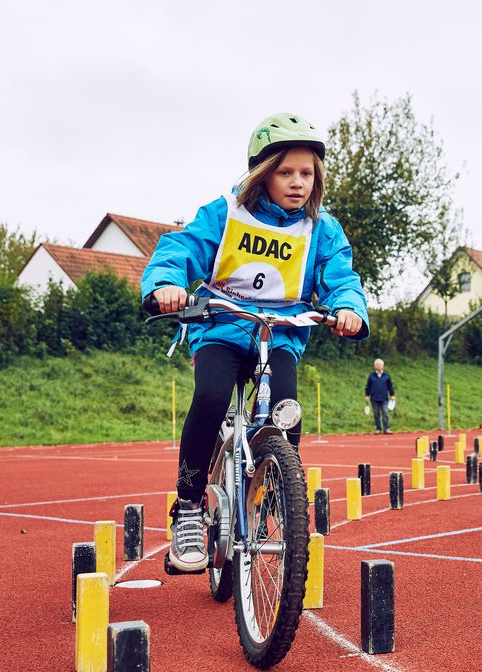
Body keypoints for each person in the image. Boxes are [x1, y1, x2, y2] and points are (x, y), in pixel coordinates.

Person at [142, 113, 369, 572]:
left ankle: (271, 499)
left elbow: (341, 277)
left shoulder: (321, 229)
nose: (298, 182)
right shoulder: (226, 212)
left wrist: (350, 310)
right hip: (221, 325)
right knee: (209, 397)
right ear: (262, 175)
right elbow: (180, 248)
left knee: (288, 414)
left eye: (307, 173)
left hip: (280, 332)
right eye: (286, 172)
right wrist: (166, 283)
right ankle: (188, 508)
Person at [364, 358, 395, 434]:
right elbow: (368, 386)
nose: (378, 366)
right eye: (377, 365)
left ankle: (386, 429)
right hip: (374, 398)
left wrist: (392, 395)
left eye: (380, 364)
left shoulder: (387, 376)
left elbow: (390, 386)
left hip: (384, 398)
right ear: (375, 366)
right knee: (376, 414)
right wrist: (367, 395)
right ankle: (378, 429)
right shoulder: (371, 376)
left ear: (383, 366)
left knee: (385, 413)